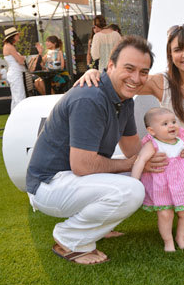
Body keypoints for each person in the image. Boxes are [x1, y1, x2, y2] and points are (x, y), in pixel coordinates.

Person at [76, 23, 184, 228]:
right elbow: (123, 80)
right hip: (180, 158)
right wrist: (95, 75)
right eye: (178, 49)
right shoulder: (162, 82)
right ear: (171, 55)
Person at [26, 36, 154, 265]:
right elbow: (83, 166)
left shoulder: (124, 100)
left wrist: (166, 151)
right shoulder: (90, 97)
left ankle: (95, 229)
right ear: (111, 66)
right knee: (132, 189)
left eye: (143, 72)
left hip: (72, 178)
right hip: (48, 185)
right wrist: (130, 164)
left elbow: (133, 148)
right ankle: (70, 239)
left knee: (142, 172)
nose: (136, 78)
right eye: (129, 68)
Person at [132, 107, 184, 252]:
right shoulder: (152, 145)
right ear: (152, 131)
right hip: (161, 187)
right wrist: (134, 181)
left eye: (173, 121)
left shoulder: (181, 142)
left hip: (181, 185)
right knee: (165, 214)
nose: (171, 125)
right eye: (165, 124)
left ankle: (181, 237)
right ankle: (168, 241)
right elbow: (140, 160)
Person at [2, 27, 26, 111]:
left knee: (16, 96)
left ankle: (15, 116)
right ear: (13, 36)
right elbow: (19, 61)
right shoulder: (10, 47)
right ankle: (20, 115)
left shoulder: (7, 46)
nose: (18, 36)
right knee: (19, 95)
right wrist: (23, 58)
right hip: (15, 73)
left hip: (14, 72)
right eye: (17, 35)